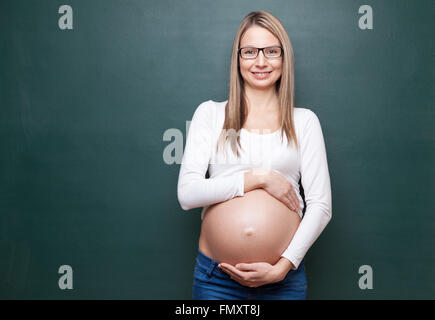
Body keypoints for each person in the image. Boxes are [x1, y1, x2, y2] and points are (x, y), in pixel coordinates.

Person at [177, 10, 332, 300]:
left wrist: (282, 268)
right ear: (237, 59)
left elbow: (321, 206)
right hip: (217, 282)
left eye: (271, 51)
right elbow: (188, 194)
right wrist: (259, 178)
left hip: (284, 281)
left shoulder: (304, 121)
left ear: (284, 59)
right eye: (250, 52)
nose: (261, 62)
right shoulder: (210, 114)